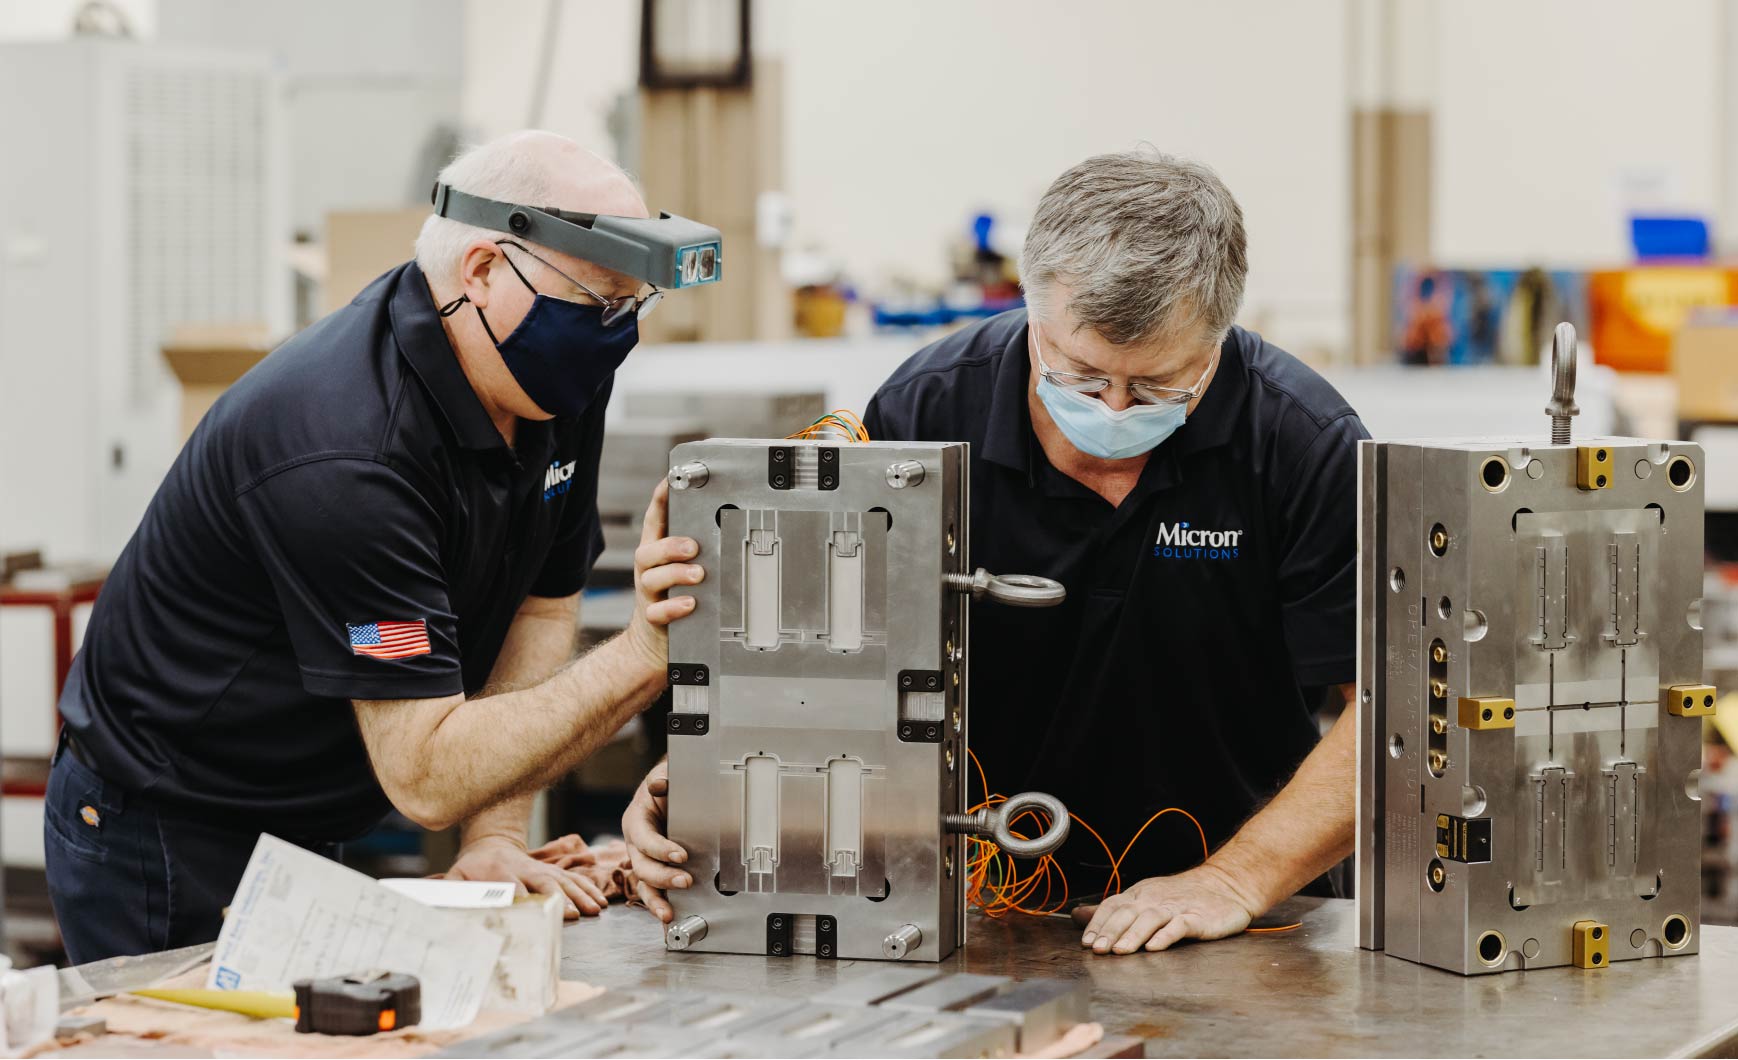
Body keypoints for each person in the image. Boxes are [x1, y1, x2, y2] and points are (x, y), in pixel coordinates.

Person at [621, 148, 1366, 956]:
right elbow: (824, 666)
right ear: (1032, 313)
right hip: (977, 905)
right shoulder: (928, 411)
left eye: (1158, 388)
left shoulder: (1303, 442)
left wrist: (1235, 879)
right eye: (1081, 377)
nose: (1115, 411)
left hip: (1242, 915)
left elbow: (1387, 712)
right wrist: (702, 784)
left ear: (1219, 336)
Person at [44, 131, 703, 963]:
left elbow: (544, 594)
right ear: (485, 273)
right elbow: (424, 776)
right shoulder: (345, 449)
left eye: (633, 304)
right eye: (600, 302)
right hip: (169, 822)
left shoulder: (548, 380)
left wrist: (494, 832)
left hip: (310, 807)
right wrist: (646, 651)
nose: (619, 334)